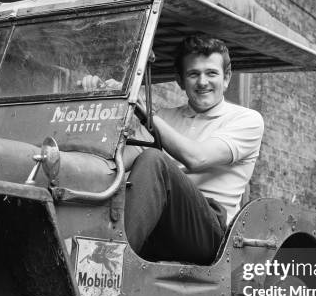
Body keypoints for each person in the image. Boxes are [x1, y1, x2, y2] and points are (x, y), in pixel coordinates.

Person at [82, 35, 264, 264]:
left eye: (211, 73)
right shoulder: (166, 117)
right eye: (193, 74)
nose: (202, 82)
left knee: (153, 160)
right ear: (180, 80)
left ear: (226, 78)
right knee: (100, 179)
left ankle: (110, 263)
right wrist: (102, 105)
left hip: (210, 233)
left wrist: (143, 110)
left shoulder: (247, 120)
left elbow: (196, 157)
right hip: (159, 223)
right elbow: (112, 165)